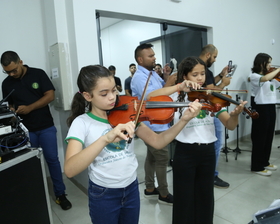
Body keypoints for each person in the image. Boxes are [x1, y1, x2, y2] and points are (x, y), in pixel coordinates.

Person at [64, 65, 202, 224]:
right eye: (104, 93)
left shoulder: (127, 115)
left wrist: (184, 121)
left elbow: (158, 142)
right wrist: (105, 139)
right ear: (88, 96)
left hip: (131, 188)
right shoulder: (82, 123)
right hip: (104, 194)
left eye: (114, 90)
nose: (112, 97)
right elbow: (70, 169)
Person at [147, 56, 247, 224]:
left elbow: (229, 125)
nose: (200, 78)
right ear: (185, 76)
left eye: (202, 74)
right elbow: (150, 97)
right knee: (184, 198)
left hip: (207, 153)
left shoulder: (209, 97)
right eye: (195, 74)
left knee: (205, 196)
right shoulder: (176, 96)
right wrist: (178, 86)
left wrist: (235, 115)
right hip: (185, 153)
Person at [1, 51, 72, 210]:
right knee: (30, 164)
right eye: (7, 72)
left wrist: (30, 108)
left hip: (45, 126)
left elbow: (50, 95)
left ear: (20, 61)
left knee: (52, 160)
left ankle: (60, 194)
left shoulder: (38, 74)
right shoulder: (6, 84)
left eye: (14, 70)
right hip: (25, 131)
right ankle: (36, 196)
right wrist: (12, 111)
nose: (12, 74)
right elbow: (9, 105)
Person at [131, 43, 175, 205]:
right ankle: (163, 193)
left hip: (159, 122)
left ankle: (150, 188)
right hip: (151, 125)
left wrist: (165, 77)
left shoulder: (151, 73)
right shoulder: (139, 77)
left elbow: (162, 88)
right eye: (150, 56)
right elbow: (153, 97)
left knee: (152, 157)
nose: (154, 58)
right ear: (140, 59)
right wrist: (171, 82)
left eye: (154, 55)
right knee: (163, 157)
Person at [199, 44, 231, 189]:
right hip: (210, 110)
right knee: (217, 143)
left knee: (215, 142)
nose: (215, 59)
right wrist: (223, 84)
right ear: (208, 55)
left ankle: (209, 174)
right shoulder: (202, 69)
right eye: (215, 56)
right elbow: (211, 93)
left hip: (209, 111)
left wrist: (221, 75)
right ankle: (212, 175)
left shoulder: (203, 69)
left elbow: (210, 86)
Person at [250, 53, 280, 176]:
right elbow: (264, 79)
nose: (270, 65)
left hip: (271, 105)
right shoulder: (254, 76)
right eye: (268, 63)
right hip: (261, 107)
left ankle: (264, 161)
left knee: (268, 136)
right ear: (261, 63)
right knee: (260, 137)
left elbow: (275, 84)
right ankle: (256, 166)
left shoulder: (272, 77)